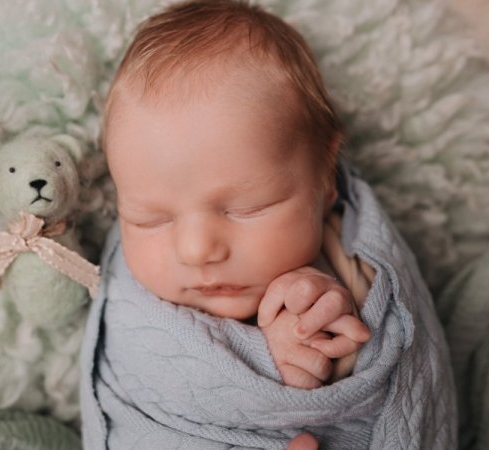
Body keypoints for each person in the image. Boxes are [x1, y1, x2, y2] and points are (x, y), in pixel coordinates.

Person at [80, 1, 456, 449]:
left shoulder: (350, 263)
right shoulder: (137, 300)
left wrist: (319, 331)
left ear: (324, 179)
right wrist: (261, 356)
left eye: (247, 208)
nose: (197, 249)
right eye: (151, 218)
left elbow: (380, 360)